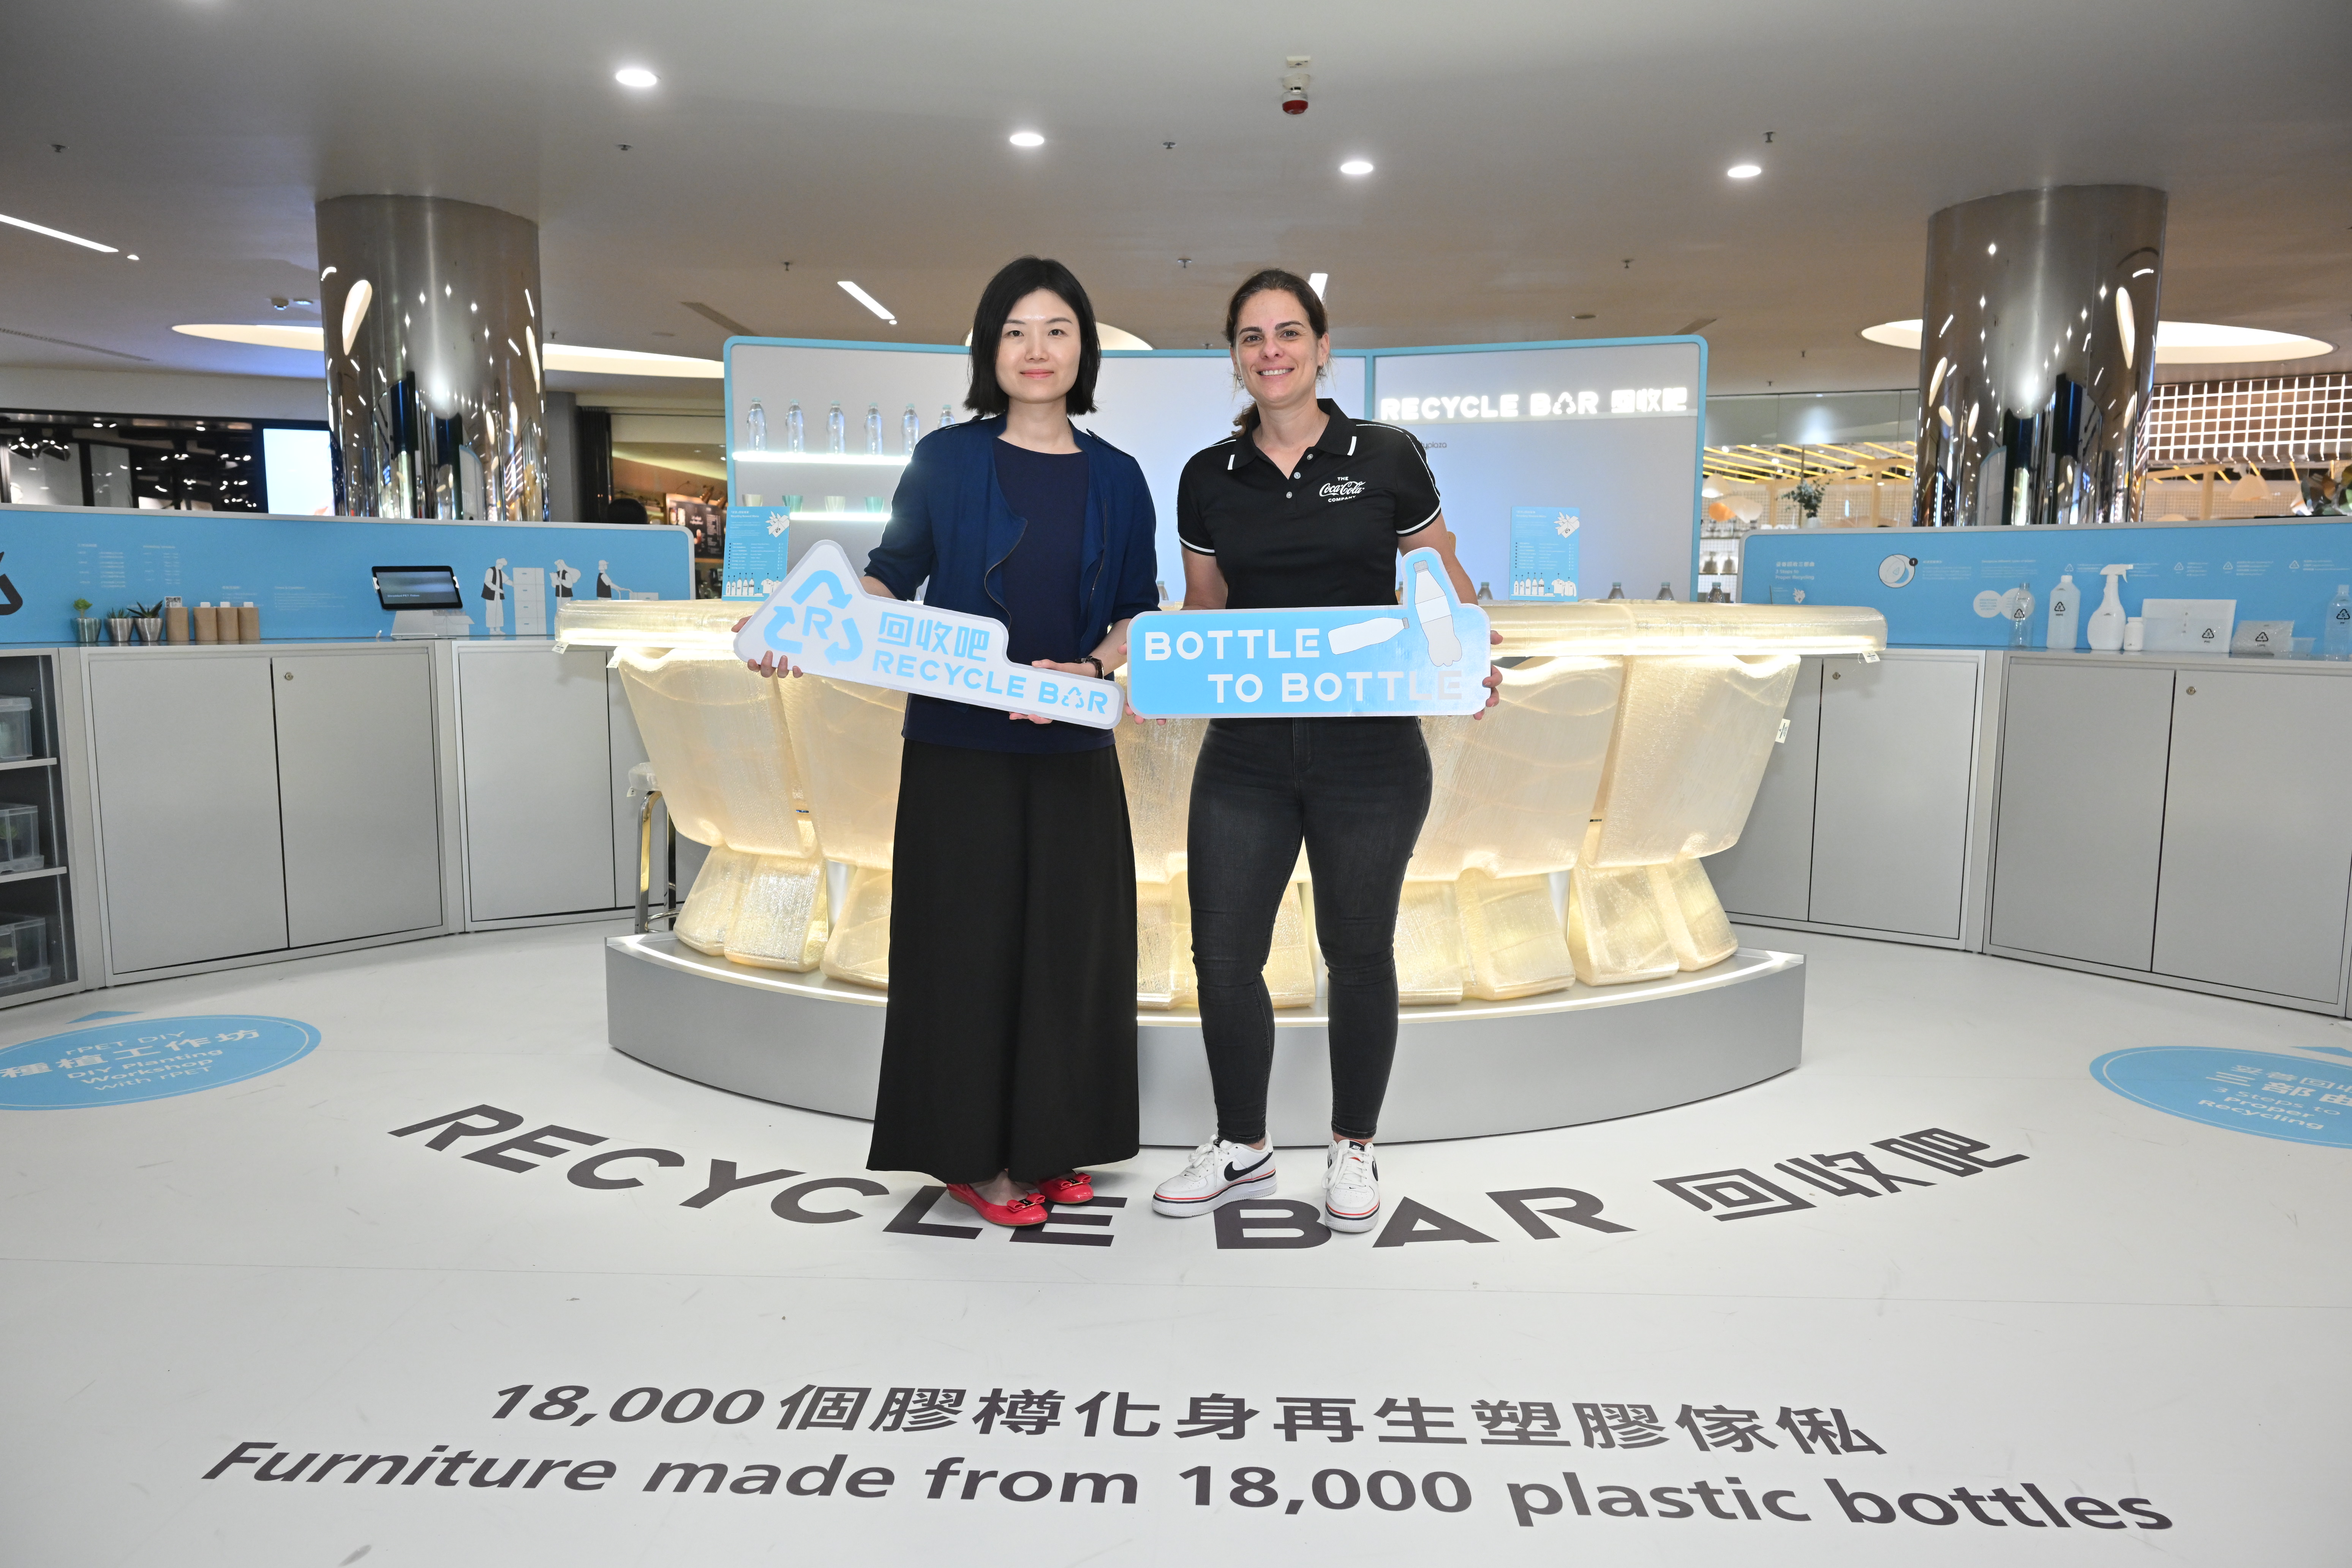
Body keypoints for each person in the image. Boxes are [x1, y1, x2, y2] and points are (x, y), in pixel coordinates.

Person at [742, 256, 1159, 1227]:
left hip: (1073, 751)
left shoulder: (1120, 476)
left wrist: (1091, 671)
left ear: (1084, 349)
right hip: (958, 747)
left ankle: (1051, 1143)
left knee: (1068, 954)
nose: (1036, 350)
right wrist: (806, 623)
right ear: (988, 350)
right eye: (1014, 331)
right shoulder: (945, 459)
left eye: (1057, 329)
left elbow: (1138, 613)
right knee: (964, 950)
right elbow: (891, 575)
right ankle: (973, 1159)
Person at [1151, 268, 1498, 1234]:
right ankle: (1242, 1145)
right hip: (1247, 753)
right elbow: (1207, 607)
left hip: (1371, 753)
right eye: (1252, 337)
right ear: (1235, 357)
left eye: (1289, 333)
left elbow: (1441, 576)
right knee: (1224, 954)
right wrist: (1163, 667)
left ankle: (1354, 1144)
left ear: (1321, 348)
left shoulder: (1386, 454)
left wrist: (1469, 656)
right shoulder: (1207, 476)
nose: (1271, 351)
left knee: (1357, 950)